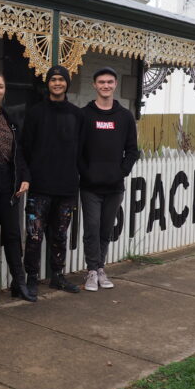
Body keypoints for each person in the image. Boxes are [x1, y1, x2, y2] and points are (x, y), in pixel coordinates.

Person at [20, 65, 83, 296]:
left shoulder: (77, 115)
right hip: (40, 186)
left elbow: (81, 150)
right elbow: (25, 148)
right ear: (48, 83)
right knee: (34, 235)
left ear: (67, 83)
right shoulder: (36, 113)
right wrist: (27, 176)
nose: (57, 83)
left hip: (66, 187)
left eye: (61, 80)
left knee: (59, 235)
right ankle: (32, 278)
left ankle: (57, 276)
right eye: (53, 79)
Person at [0, 72, 37, 304]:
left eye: (0, 86)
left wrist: (25, 176)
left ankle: (19, 283)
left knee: (13, 233)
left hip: (9, 179)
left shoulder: (10, 118)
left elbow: (19, 152)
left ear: (4, 91)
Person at [80, 67, 140, 291]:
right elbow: (78, 150)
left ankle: (101, 268)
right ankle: (91, 271)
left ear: (115, 85)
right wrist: (87, 173)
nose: (106, 85)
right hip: (90, 187)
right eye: (101, 82)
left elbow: (132, 151)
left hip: (114, 187)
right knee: (92, 228)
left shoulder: (124, 117)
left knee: (105, 229)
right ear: (94, 85)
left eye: (110, 82)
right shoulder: (84, 115)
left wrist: (120, 172)